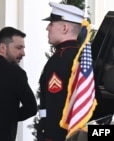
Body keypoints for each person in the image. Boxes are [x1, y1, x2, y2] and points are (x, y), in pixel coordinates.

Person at [37, 2, 86, 141]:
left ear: (64, 28)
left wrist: (51, 137)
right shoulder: (82, 56)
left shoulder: (60, 60)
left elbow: (56, 107)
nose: (47, 28)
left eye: (51, 23)